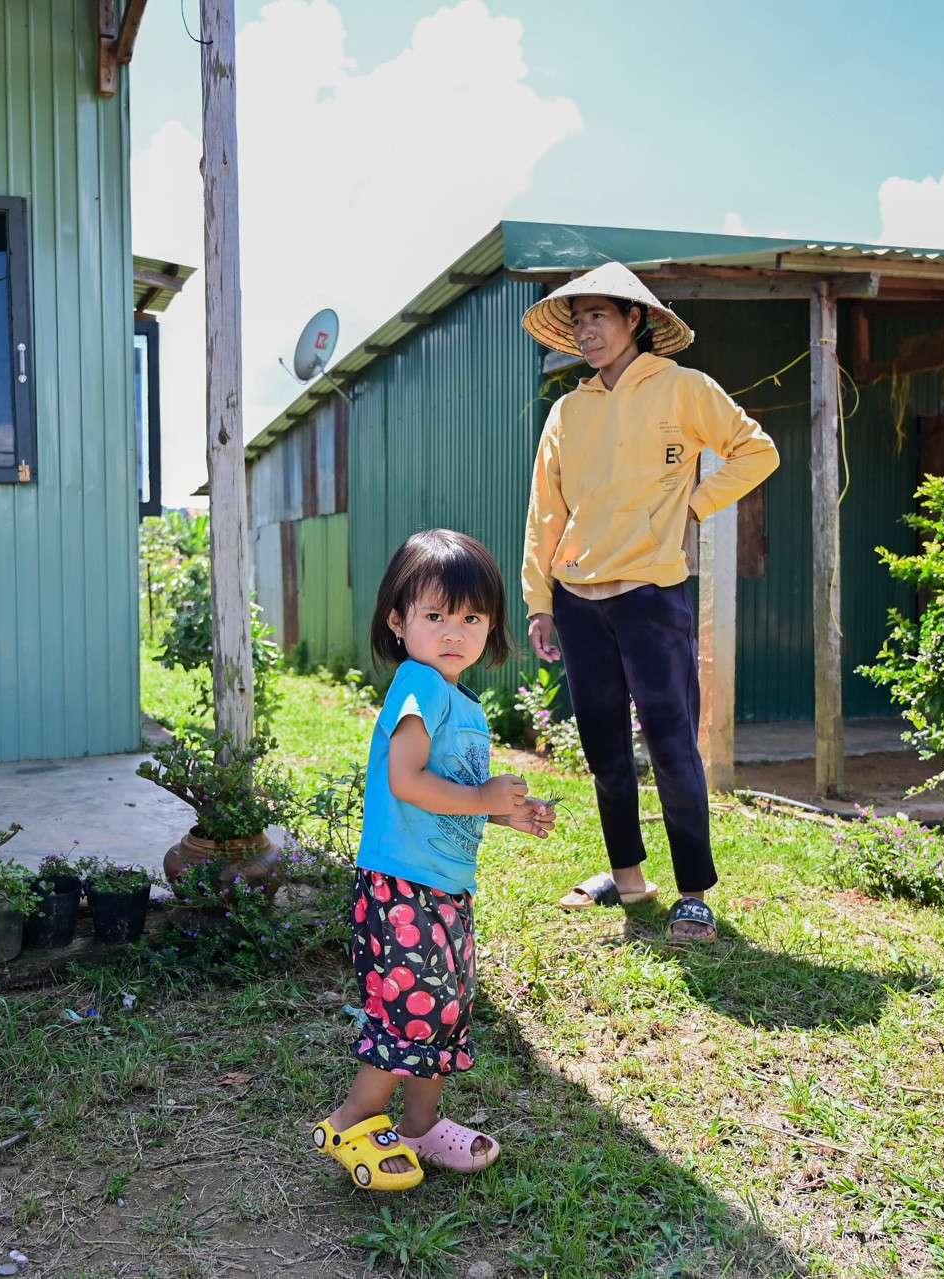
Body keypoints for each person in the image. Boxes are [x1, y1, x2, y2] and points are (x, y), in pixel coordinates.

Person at [519, 263, 778, 940]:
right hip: (578, 600)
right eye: (577, 320)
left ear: (636, 319)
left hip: (652, 595)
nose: (586, 330)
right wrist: (539, 599)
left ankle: (694, 891)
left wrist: (694, 504)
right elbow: (545, 511)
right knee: (604, 747)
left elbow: (756, 450)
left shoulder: (683, 389)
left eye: (598, 315)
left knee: (670, 744)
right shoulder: (568, 411)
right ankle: (629, 878)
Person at [312, 529, 556, 1191]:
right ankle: (348, 1122)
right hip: (404, 886)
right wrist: (482, 793)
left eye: (471, 617)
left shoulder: (463, 702)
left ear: (492, 626)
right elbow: (407, 780)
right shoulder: (417, 685)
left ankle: (419, 1127)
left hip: (443, 886)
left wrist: (506, 812)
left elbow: (449, 799)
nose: (455, 631)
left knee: (445, 1009)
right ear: (399, 620)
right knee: (413, 1011)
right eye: (435, 615)